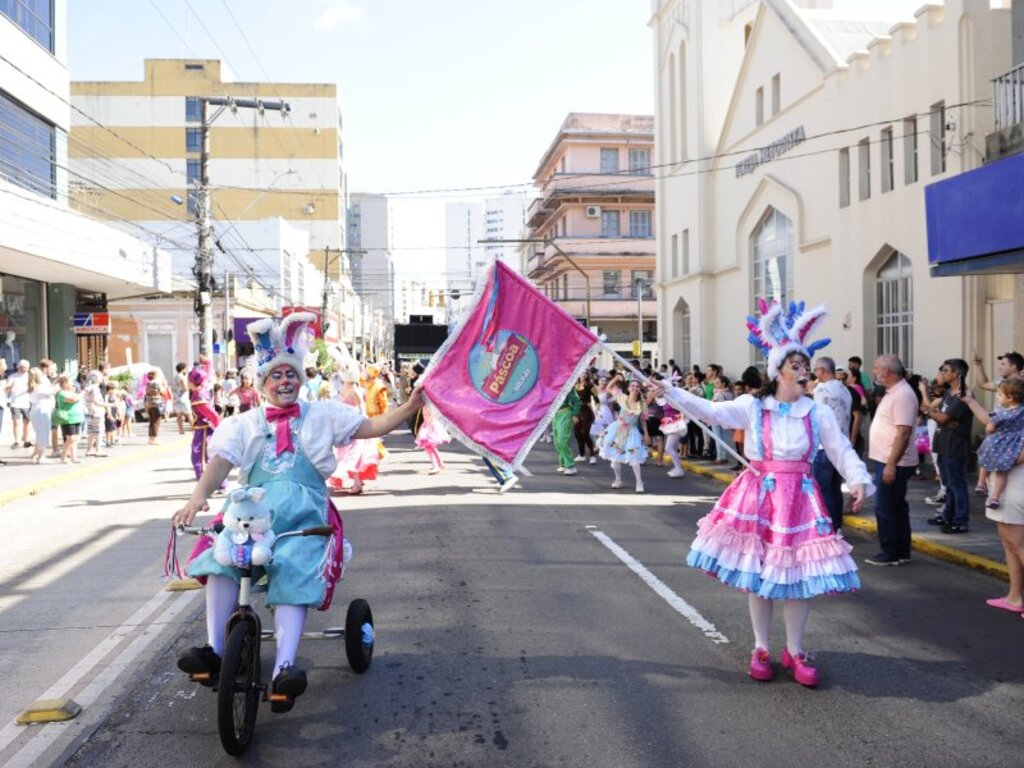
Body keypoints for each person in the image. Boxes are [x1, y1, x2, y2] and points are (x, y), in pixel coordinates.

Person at [172, 313, 424, 712]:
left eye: (290, 373)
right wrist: (197, 497)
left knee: (291, 567)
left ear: (300, 379)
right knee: (221, 559)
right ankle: (215, 650)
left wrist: (410, 406)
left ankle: (285, 669)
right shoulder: (244, 424)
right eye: (276, 376)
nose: (284, 381)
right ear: (262, 384)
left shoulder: (323, 416)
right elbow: (220, 462)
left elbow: (372, 426)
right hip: (251, 514)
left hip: (304, 516)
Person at [665, 300, 871, 687]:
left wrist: (857, 479)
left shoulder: (816, 411)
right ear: (777, 371)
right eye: (796, 366)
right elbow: (710, 412)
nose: (804, 373)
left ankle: (794, 650)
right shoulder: (752, 406)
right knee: (758, 574)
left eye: (806, 367)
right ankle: (761, 647)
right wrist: (670, 391)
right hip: (759, 496)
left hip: (801, 498)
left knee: (796, 575)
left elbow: (841, 449)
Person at [863, 355, 919, 565]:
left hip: (893, 461)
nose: (874, 372)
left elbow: (903, 433)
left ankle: (890, 551)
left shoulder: (902, 394)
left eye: (877, 368)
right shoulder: (894, 392)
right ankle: (901, 550)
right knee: (895, 506)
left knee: (885, 507)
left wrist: (890, 464)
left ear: (887, 371)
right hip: (888, 459)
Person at [923, 359, 974, 534]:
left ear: (956, 374)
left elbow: (944, 418)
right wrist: (937, 415)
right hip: (944, 443)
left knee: (957, 484)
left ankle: (960, 520)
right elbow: (942, 417)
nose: (942, 373)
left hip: (955, 446)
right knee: (948, 484)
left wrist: (933, 413)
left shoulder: (962, 395)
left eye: (945, 370)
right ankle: (948, 515)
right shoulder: (948, 393)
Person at [961, 380, 1024, 510]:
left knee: (984, 461)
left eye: (1000, 394)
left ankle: (981, 483)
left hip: (996, 443)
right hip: (1013, 446)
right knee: (1002, 472)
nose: (997, 396)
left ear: (1010, 398)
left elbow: (989, 428)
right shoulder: (1022, 411)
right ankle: (995, 497)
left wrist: (989, 430)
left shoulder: (1000, 413)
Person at [971, 351, 1023, 496]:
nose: (999, 367)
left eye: (1003, 364)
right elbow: (983, 384)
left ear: (1014, 367)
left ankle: (991, 492)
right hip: (996, 430)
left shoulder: (1021, 385)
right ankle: (985, 487)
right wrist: (978, 364)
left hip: (1013, 435)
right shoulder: (1001, 383)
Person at [811, 356, 853, 531]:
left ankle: (828, 526)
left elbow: (816, 419)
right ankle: (837, 525)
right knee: (835, 488)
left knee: (823, 488)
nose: (814, 373)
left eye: (815, 370)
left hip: (824, 446)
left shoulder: (821, 391)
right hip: (841, 444)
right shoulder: (844, 390)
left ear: (822, 370)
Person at [597, 375, 649, 493]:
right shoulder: (622, 397)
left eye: (637, 386)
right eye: (632, 386)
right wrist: (616, 378)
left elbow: (643, 420)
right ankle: (618, 479)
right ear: (629, 387)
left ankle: (639, 482)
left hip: (632, 432)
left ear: (640, 389)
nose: (635, 388)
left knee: (634, 459)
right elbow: (609, 388)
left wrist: (646, 434)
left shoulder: (642, 404)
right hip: (618, 430)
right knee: (615, 459)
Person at [188, 356, 221, 481]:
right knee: (209, 456)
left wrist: (220, 429)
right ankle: (219, 483)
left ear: (192, 381)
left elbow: (214, 416)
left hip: (203, 430)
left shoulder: (198, 397)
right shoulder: (205, 386)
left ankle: (205, 484)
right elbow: (206, 375)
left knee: (199, 458)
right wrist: (207, 363)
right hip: (206, 429)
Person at [53, 374, 85, 464]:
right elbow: (73, 399)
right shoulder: (61, 393)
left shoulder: (72, 392)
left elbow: (76, 398)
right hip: (68, 419)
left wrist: (78, 395)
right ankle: (63, 457)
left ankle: (73, 457)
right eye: (71, 383)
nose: (73, 384)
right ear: (65, 383)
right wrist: (82, 393)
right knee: (70, 438)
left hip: (76, 418)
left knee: (75, 439)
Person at [27, 367, 55, 464]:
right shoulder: (39, 386)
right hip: (41, 410)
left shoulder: (32, 385)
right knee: (43, 434)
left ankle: (37, 454)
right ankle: (41, 457)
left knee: (40, 434)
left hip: (36, 409)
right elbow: (52, 391)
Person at [552, 386, 581, 476]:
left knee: (562, 439)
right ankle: (564, 463)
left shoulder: (567, 383)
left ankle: (571, 465)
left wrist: (575, 414)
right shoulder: (550, 384)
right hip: (554, 414)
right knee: (556, 441)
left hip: (565, 412)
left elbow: (576, 400)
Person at [415, 404, 451, 474]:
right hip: (429, 425)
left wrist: (428, 427)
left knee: (428, 447)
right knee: (432, 447)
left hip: (430, 426)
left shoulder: (428, 404)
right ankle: (440, 463)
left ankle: (435, 466)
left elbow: (431, 415)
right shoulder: (426, 404)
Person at [5, 359, 31, 448]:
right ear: (18, 367)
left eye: (26, 368)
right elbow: (6, 389)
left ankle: (26, 441)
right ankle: (17, 441)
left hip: (27, 402)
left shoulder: (30, 376)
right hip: (15, 402)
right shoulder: (12, 377)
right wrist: (9, 388)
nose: (25, 369)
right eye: (23, 367)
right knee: (16, 422)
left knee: (27, 422)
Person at [144, 370, 167, 444]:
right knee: (156, 422)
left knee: (152, 422)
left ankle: (150, 439)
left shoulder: (148, 383)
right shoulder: (156, 383)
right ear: (155, 375)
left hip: (149, 404)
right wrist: (165, 386)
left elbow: (148, 393)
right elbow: (162, 392)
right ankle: (154, 439)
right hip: (156, 403)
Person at [171, 362, 192, 434]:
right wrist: (189, 387)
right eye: (186, 368)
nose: (187, 370)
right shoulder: (182, 377)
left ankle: (181, 430)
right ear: (183, 369)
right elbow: (185, 388)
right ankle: (193, 428)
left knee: (179, 415)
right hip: (183, 398)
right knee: (189, 414)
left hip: (176, 398)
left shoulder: (175, 377)